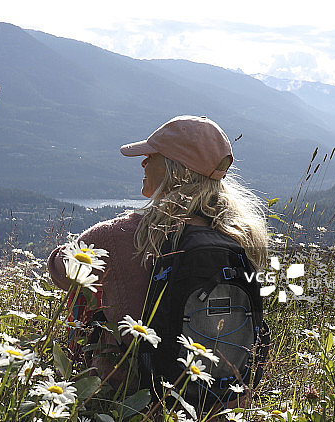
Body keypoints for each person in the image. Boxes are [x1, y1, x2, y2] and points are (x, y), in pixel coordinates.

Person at [46, 115, 269, 387]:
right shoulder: (242, 235)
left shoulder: (122, 235)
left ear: (176, 170)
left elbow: (61, 270)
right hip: (221, 396)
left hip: (127, 398)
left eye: (151, 155)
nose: (143, 162)